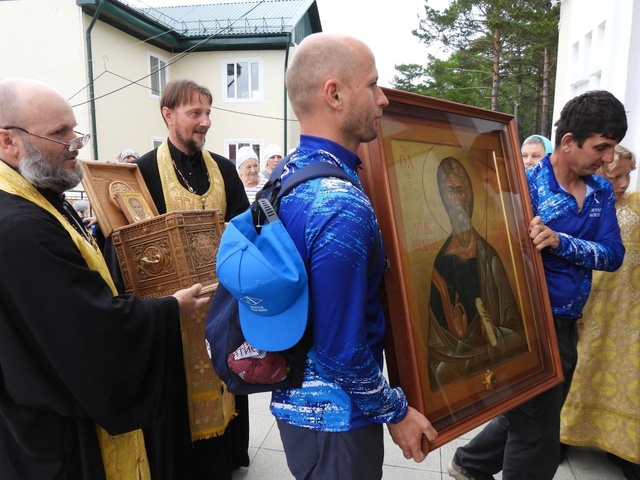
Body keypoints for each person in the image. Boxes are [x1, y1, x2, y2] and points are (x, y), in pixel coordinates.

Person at [0, 77, 209, 479]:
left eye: (75, 130)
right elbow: (90, 332)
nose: (76, 143)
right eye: (60, 134)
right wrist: (169, 310)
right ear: (9, 141)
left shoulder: (34, 194)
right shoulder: (21, 226)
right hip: (57, 429)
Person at [268, 32, 438, 480]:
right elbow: (342, 348)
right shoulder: (337, 202)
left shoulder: (290, 170)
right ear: (335, 94)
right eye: (374, 84)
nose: (383, 99)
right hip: (335, 418)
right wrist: (395, 412)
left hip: (305, 405)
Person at [448, 89, 627, 480]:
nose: (609, 159)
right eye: (602, 147)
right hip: (525, 327)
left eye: (613, 148)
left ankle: (470, 463)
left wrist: (561, 242)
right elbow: (492, 259)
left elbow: (613, 255)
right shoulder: (522, 187)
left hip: (566, 326)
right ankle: (473, 464)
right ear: (567, 142)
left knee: (536, 411)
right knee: (538, 437)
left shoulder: (599, 193)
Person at [133, 78, 250, 480]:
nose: (205, 122)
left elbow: (243, 228)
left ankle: (225, 458)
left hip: (222, 304)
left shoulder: (225, 169)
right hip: (174, 311)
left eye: (207, 113)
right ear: (168, 115)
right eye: (194, 113)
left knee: (223, 381)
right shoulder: (143, 172)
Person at [561, 144, 640, 480]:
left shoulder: (636, 208)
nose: (623, 183)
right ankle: (563, 434)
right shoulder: (588, 206)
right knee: (580, 370)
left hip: (627, 312)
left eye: (627, 176)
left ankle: (620, 444)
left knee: (625, 377)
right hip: (588, 307)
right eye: (616, 176)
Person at [428, 156, 527, 389]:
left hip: (493, 361)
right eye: (448, 193)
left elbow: (516, 329)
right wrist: (458, 336)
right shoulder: (440, 263)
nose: (455, 201)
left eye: (459, 191)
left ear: (469, 196)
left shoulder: (489, 257)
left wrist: (494, 330)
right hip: (458, 363)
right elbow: (434, 343)